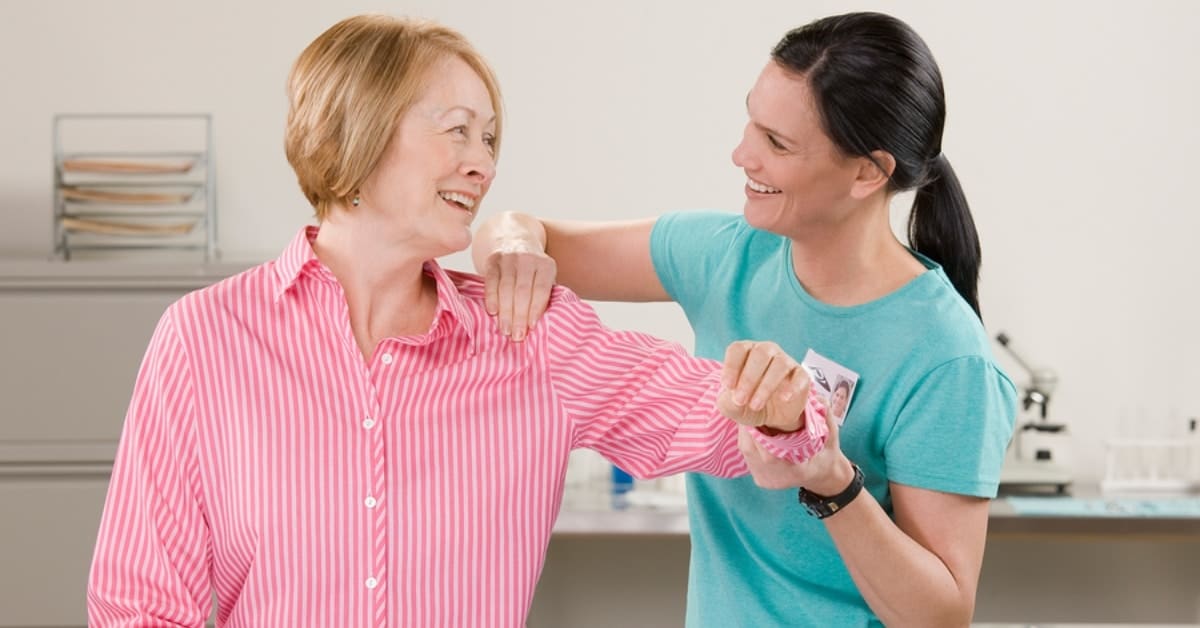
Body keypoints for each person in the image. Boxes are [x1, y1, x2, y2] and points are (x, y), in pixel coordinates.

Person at [85, 14, 828, 628]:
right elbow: (139, 606)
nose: (483, 163)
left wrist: (779, 402)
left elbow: (727, 421)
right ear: (359, 128)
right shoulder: (206, 338)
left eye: (491, 138)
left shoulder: (527, 333)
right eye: (458, 130)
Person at [473, 11, 1018, 627]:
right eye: (752, 123)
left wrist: (829, 479)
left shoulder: (946, 356)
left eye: (777, 143)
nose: (741, 155)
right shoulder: (729, 257)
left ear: (869, 171)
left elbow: (940, 615)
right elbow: (526, 231)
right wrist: (511, 249)